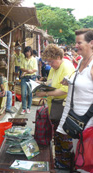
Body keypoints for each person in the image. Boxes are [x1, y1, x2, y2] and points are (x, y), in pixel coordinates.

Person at [57, 28, 93, 171]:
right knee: (80, 160)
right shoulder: (80, 62)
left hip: (89, 127)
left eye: (79, 43)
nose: (75, 46)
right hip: (76, 123)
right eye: (75, 42)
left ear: (91, 43)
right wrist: (70, 81)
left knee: (87, 164)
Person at [35, 44, 75, 170]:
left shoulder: (67, 67)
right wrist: (41, 84)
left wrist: (45, 93)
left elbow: (65, 90)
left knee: (64, 137)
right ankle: (59, 161)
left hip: (64, 108)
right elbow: (50, 83)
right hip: (55, 108)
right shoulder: (53, 68)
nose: (50, 64)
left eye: (51, 61)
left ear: (59, 57)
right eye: (48, 62)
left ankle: (66, 164)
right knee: (57, 135)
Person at [20, 46, 38, 115]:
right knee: (23, 93)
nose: (27, 53)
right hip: (24, 78)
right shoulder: (23, 59)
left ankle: (28, 107)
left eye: (28, 52)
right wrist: (28, 71)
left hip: (32, 78)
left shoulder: (34, 59)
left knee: (30, 93)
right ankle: (24, 108)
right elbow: (21, 68)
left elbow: (35, 69)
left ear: (31, 52)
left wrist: (29, 71)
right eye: (26, 52)